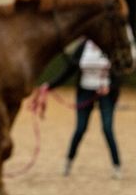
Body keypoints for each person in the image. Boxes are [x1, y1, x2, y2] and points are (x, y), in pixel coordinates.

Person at [41, 38, 123, 179]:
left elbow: (120, 70)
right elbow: (70, 69)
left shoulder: (110, 44)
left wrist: (110, 86)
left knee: (107, 129)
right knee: (80, 128)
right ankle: (68, 162)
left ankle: (117, 166)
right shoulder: (84, 46)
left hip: (105, 94)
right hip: (85, 92)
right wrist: (50, 85)